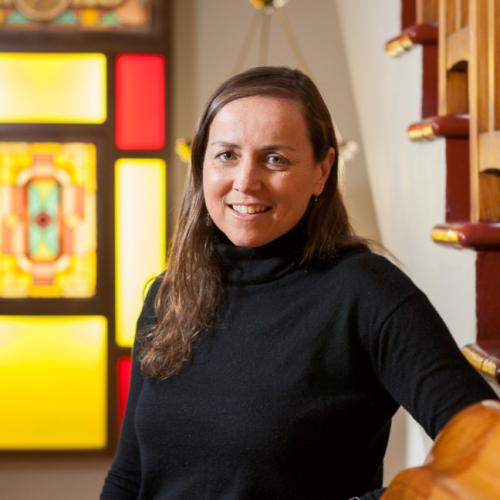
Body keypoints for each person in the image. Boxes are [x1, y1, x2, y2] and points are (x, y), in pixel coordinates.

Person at [101, 66, 497, 500]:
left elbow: (487, 452)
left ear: (322, 171)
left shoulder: (364, 292)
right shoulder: (170, 294)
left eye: (275, 159)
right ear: (202, 166)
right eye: (227, 155)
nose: (245, 182)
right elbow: (129, 477)